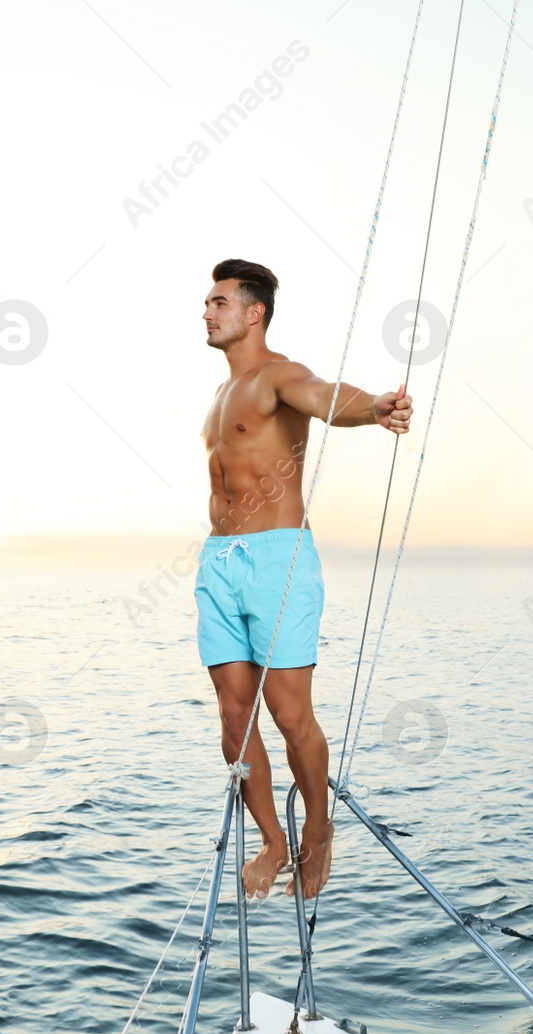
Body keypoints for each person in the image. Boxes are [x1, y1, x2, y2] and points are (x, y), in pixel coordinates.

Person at [196, 258, 412, 900]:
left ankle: (318, 830)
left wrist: (373, 407)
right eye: (206, 305)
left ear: (252, 311)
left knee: (289, 715)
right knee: (234, 717)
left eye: (218, 303)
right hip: (218, 561)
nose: (207, 313)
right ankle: (273, 838)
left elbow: (325, 396)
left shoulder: (277, 375)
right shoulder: (217, 398)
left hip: (277, 558)